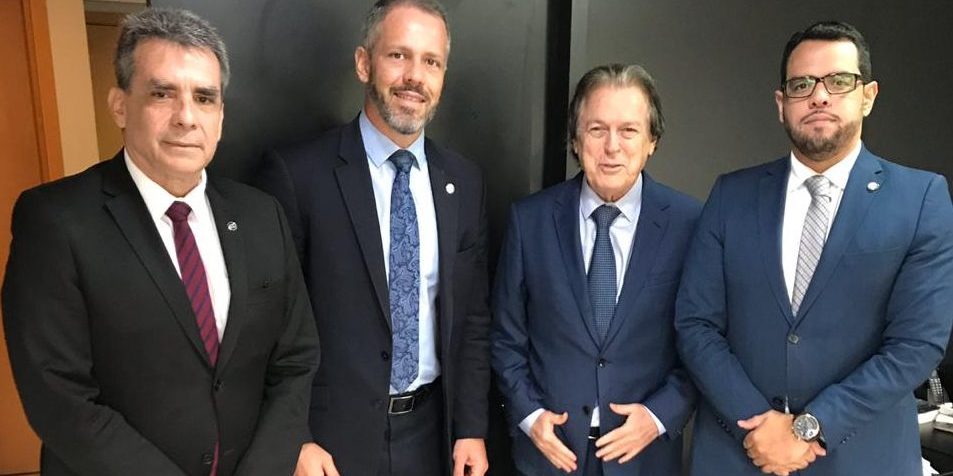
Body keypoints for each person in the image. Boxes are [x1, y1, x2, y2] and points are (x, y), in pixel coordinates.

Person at [2, 8, 319, 476]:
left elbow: (295, 358)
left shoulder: (260, 215)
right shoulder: (56, 221)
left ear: (221, 116)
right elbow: (59, 396)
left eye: (204, 98)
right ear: (120, 105)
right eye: (162, 93)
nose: (186, 117)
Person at [675, 20, 953, 476]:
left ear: (868, 96)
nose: (819, 96)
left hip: (863, 459)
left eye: (839, 81)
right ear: (781, 104)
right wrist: (759, 425)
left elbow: (917, 343)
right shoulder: (731, 196)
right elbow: (695, 324)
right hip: (740, 454)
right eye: (802, 85)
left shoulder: (920, 199)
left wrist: (810, 427)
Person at [255, 1, 490, 475]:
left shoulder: (463, 182)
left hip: (433, 437)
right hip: (330, 444)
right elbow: (268, 324)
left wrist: (470, 428)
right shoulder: (299, 175)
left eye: (431, 61)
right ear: (364, 63)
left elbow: (472, 319)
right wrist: (295, 438)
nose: (414, 76)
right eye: (398, 55)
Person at [492, 63, 699, 476]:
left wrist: (659, 416)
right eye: (597, 129)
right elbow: (504, 337)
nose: (612, 147)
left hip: (644, 459)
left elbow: (703, 341)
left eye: (629, 130)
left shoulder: (690, 224)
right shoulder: (529, 221)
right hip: (550, 456)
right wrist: (529, 415)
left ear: (652, 141)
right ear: (575, 138)